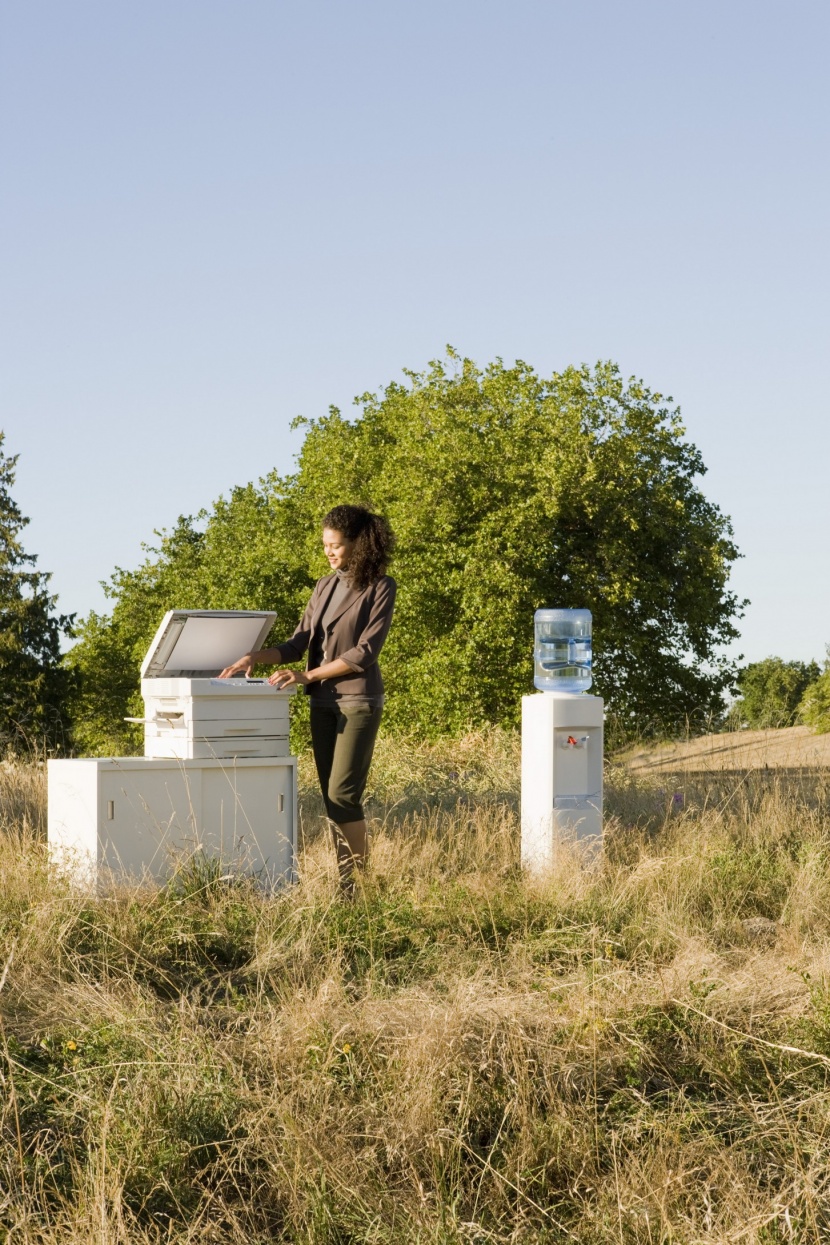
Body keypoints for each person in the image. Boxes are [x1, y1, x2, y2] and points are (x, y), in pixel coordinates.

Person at [219, 504, 396, 894]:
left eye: (336, 546)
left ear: (359, 544)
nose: (330, 553)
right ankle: (348, 884)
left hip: (358, 702)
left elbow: (365, 652)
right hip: (322, 704)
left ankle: (358, 886)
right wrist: (256, 656)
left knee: (342, 794)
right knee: (332, 800)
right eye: (326, 546)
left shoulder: (381, 586)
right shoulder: (324, 586)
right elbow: (299, 643)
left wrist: (308, 676)